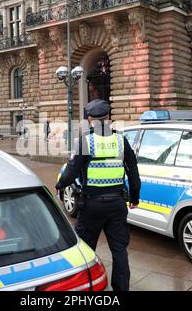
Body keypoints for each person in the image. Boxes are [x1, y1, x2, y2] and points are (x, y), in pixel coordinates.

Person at [55, 99, 140, 291]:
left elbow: (72, 171)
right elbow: (133, 172)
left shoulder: (86, 141)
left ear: (91, 119)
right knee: (119, 250)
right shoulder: (121, 140)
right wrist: (134, 198)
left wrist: (60, 185)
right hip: (117, 204)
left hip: (92, 205)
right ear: (108, 118)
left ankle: (85, 287)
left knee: (85, 250)